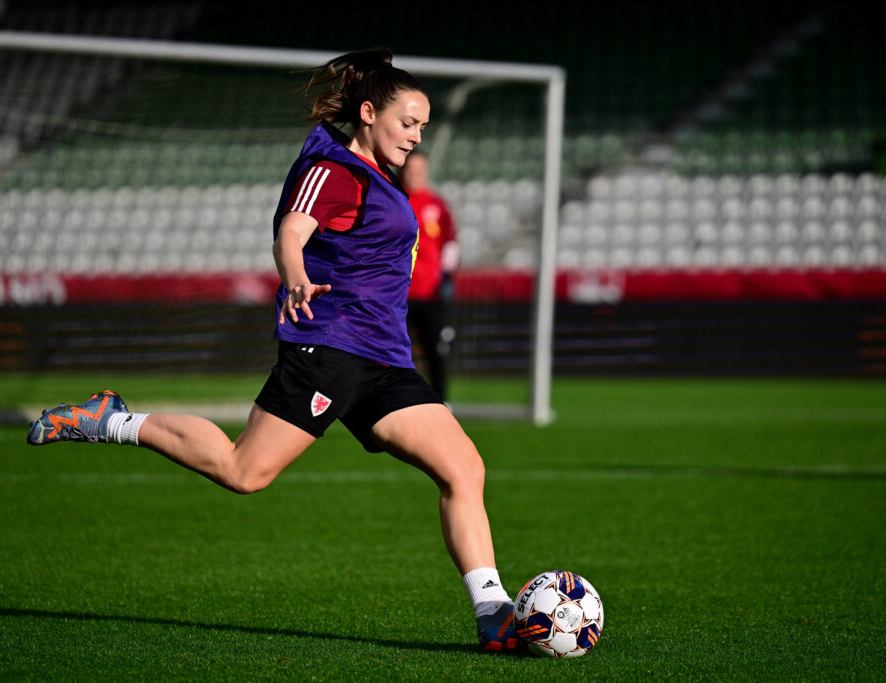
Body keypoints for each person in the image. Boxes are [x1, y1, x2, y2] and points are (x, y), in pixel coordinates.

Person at [26, 48, 520, 653]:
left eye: (422, 125)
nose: (417, 136)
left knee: (464, 468)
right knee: (244, 472)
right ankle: (113, 420)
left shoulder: (381, 176)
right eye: (407, 123)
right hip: (329, 348)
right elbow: (292, 231)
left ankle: (494, 612)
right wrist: (293, 274)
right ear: (368, 113)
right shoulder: (335, 168)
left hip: (386, 361)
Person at [400, 150, 459, 402]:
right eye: (411, 169)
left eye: (419, 170)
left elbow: (450, 242)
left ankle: (440, 403)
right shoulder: (394, 199)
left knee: (436, 351)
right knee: (395, 354)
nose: (415, 174)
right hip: (397, 294)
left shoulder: (436, 204)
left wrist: (446, 278)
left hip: (429, 294)